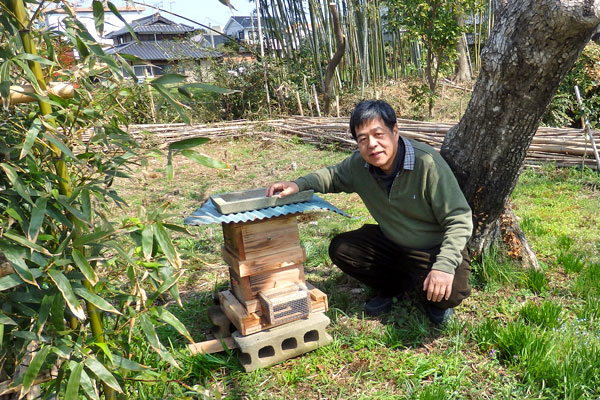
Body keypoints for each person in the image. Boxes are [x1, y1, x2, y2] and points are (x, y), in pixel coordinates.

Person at [266, 100, 472, 324]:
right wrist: (297, 185)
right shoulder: (360, 166)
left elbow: (459, 219)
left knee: (452, 291)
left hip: (433, 248)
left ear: (395, 131)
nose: (372, 144)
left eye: (378, 134)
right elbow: (331, 176)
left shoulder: (427, 163)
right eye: (362, 139)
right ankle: (395, 288)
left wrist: (443, 266)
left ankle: (433, 297)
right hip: (393, 243)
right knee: (343, 249)